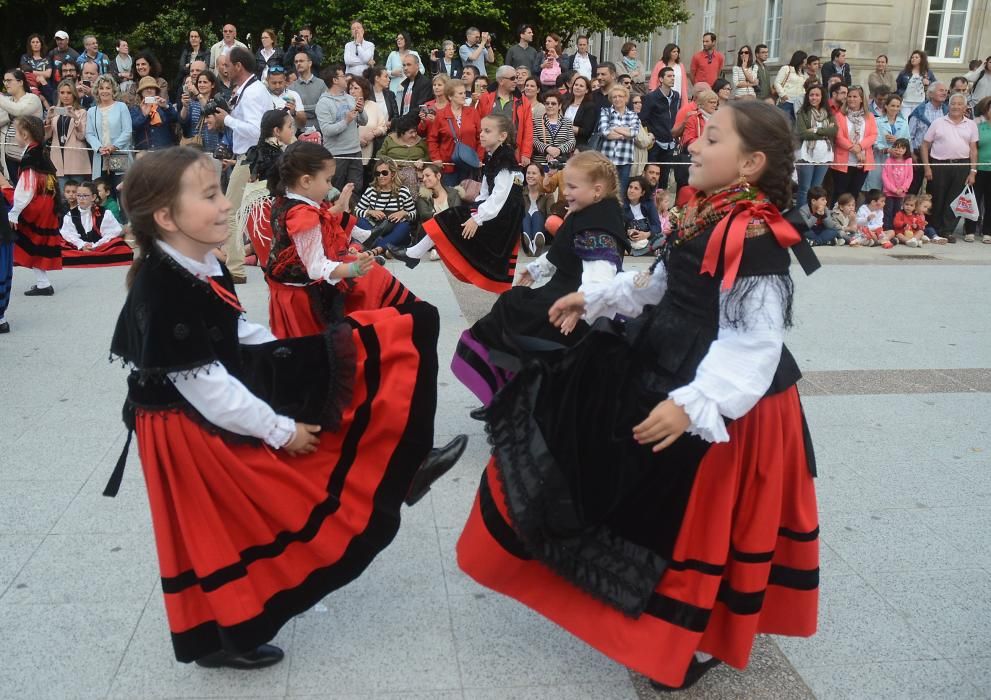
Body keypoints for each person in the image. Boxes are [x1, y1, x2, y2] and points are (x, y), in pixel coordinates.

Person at [456, 101, 820, 693]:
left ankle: (694, 637)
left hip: (726, 402)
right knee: (650, 498)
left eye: (712, 137)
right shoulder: (708, 211)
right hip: (669, 366)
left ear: (749, 164)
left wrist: (696, 403)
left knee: (697, 520)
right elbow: (664, 284)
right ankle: (663, 624)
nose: (695, 145)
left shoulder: (754, 235)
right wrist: (599, 298)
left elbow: (753, 344)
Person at [108, 146, 464, 669]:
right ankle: (219, 634)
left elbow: (235, 332)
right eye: (210, 195)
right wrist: (279, 430)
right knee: (219, 522)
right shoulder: (162, 286)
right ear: (165, 217)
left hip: (202, 404)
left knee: (338, 361)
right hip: (183, 425)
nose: (227, 205)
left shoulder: (196, 261)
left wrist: (293, 353)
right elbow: (206, 385)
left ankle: (396, 466)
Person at [454, 149, 626, 405]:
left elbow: (600, 277)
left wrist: (581, 307)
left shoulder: (598, 225)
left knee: (515, 317)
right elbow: (563, 252)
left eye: (572, 186)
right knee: (512, 306)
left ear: (597, 190)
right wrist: (535, 270)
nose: (565, 192)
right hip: (564, 295)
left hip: (573, 308)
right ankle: (511, 394)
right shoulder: (587, 211)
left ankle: (523, 402)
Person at [265, 142, 419, 327]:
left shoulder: (289, 199)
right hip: (302, 298)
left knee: (375, 278)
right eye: (328, 180)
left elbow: (320, 221)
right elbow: (315, 267)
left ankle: (368, 238)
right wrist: (353, 270)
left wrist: (338, 208)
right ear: (306, 181)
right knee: (372, 284)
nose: (330, 187)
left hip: (297, 288)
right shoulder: (302, 214)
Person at [391, 113, 525, 294]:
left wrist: (477, 218)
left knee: (452, 217)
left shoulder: (506, 159)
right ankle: (413, 253)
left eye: (487, 131)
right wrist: (474, 208)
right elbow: (485, 191)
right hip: (495, 210)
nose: (482, 135)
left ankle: (413, 254)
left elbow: (499, 197)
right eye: (481, 131)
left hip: (505, 217)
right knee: (450, 216)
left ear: (502, 136)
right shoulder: (492, 156)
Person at [208, 47, 270, 283]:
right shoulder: (250, 89)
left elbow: (255, 131)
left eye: (227, 65)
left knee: (231, 211)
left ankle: (236, 268)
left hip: (251, 158)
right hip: (247, 157)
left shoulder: (253, 92)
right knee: (256, 213)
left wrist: (228, 119)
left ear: (238, 66)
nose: (224, 69)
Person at [1, 116, 62, 294]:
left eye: (16, 133)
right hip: (46, 202)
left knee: (28, 240)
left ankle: (43, 283)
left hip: (37, 204)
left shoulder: (30, 157)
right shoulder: (39, 151)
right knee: (36, 243)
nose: (14, 138)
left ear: (26, 134)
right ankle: (43, 283)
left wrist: (14, 213)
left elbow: (26, 189)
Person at [921, 93, 979, 243]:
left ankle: (947, 231)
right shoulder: (938, 122)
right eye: (953, 103)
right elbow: (925, 145)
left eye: (960, 104)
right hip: (939, 165)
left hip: (962, 165)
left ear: (965, 107)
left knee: (955, 199)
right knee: (936, 197)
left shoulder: (971, 124)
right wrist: (927, 168)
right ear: (949, 105)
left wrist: (973, 171)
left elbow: (973, 149)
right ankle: (932, 229)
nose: (956, 107)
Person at [316, 64, 367, 195]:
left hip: (355, 151)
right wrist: (346, 121)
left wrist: (361, 111)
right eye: (343, 76)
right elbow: (327, 130)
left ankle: (352, 215)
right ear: (335, 80)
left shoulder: (350, 98)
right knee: (336, 191)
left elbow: (364, 121)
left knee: (356, 190)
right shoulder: (323, 103)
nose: (346, 78)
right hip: (336, 155)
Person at [57, 179, 132, 266]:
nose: (81, 199)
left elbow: (111, 233)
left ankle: (87, 255)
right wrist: (82, 245)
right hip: (79, 247)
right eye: (79, 196)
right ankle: (91, 255)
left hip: (100, 246)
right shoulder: (70, 215)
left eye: (85, 196)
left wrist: (95, 245)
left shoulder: (104, 213)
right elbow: (68, 234)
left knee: (119, 244)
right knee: (59, 245)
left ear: (93, 197)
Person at [351, 156, 418, 253]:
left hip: (395, 229)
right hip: (375, 228)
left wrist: (404, 213)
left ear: (393, 174)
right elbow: (356, 211)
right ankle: (385, 248)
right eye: (378, 173)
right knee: (358, 221)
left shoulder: (403, 191)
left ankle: (376, 248)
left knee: (404, 227)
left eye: (384, 173)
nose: (381, 176)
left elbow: (414, 215)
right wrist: (370, 212)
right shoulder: (371, 190)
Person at [427, 78, 483, 186]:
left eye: (464, 93)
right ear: (450, 96)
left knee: (468, 197)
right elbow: (432, 139)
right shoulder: (441, 115)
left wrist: (479, 158)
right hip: (448, 165)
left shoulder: (472, 112)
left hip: (469, 164)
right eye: (460, 93)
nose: (464, 96)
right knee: (451, 197)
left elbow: (480, 137)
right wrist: (436, 158)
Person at [475, 65, 534, 167]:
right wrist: (478, 155)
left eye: (516, 77)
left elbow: (528, 130)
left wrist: (526, 153)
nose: (516, 81)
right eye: (512, 78)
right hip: (488, 153)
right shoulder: (485, 98)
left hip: (512, 153)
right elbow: (477, 127)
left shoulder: (523, 101)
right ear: (501, 81)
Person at [831, 86, 877, 203]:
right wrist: (854, 149)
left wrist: (860, 147)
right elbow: (838, 137)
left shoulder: (869, 116)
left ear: (861, 99)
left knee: (854, 193)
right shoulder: (840, 116)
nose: (851, 99)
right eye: (849, 96)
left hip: (862, 161)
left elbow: (873, 135)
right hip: (843, 161)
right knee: (840, 194)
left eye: (855, 97)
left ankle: (850, 219)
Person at [795, 84, 836, 209]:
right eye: (811, 95)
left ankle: (813, 216)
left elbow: (834, 131)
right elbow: (802, 133)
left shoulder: (828, 113)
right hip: (807, 154)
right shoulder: (803, 112)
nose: (814, 98)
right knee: (805, 188)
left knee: (816, 188)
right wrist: (824, 132)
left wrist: (815, 130)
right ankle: (801, 217)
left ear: (822, 97)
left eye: (817, 95)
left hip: (824, 154)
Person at [85, 75, 132, 187]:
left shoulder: (121, 107)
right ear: (97, 91)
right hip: (100, 156)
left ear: (113, 90)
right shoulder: (92, 111)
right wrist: (99, 148)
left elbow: (127, 131)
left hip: (118, 155)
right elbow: (89, 134)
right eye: (101, 88)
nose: (104, 91)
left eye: (108, 88)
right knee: (100, 193)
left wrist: (113, 147)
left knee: (119, 190)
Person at [639, 67, 680, 191]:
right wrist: (652, 134)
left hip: (670, 142)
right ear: (661, 79)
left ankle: (661, 206)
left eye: (673, 76)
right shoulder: (651, 97)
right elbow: (643, 118)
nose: (672, 78)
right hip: (655, 143)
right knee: (651, 176)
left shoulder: (676, 96)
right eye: (669, 76)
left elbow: (674, 116)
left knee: (664, 176)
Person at [45, 80, 90, 190]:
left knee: (78, 194)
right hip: (58, 161)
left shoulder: (81, 112)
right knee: (62, 197)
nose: (65, 96)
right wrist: (48, 120)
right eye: (62, 92)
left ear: (74, 94)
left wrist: (75, 118)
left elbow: (82, 136)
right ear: (58, 94)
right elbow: (46, 137)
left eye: (69, 93)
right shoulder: (53, 112)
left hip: (76, 160)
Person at [1, 70, 44, 182]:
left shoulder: (32, 99)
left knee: (29, 190)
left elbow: (18, 111)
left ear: (20, 82)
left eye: (9, 80)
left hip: (29, 154)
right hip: (9, 155)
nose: (6, 84)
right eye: (4, 81)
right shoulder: (7, 101)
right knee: (15, 190)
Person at [597, 85, 640, 193]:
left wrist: (614, 128)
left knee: (621, 193)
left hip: (625, 160)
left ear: (626, 98)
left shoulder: (633, 115)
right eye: (614, 97)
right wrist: (624, 133)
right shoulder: (605, 112)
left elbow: (634, 132)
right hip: (607, 160)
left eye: (620, 96)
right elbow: (604, 131)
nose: (617, 99)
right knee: (606, 192)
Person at [908, 82, 948, 195]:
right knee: (913, 188)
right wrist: (912, 154)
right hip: (918, 156)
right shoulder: (919, 111)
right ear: (930, 93)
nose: (944, 92)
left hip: (938, 156)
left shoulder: (947, 111)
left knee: (935, 190)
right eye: (941, 90)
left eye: (945, 90)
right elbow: (909, 135)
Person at [378, 113, 430, 190]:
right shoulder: (390, 139)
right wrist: (390, 162)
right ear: (401, 133)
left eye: (415, 131)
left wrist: (423, 160)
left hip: (417, 173)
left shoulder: (420, 141)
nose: (414, 135)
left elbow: (429, 156)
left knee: (410, 175)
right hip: (394, 171)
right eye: (411, 132)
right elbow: (379, 155)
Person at [870, 97, 910, 194]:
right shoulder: (877, 121)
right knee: (876, 189)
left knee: (892, 190)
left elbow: (907, 141)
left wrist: (898, 141)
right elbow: (874, 140)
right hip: (879, 159)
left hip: (897, 162)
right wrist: (887, 150)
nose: (895, 108)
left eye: (897, 106)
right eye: (892, 105)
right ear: (886, 106)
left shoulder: (904, 123)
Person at [130, 76, 178, 151]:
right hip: (145, 151)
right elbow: (134, 126)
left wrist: (166, 107)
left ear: (156, 91)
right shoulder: (135, 109)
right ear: (141, 92)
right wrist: (144, 114)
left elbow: (175, 118)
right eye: (146, 88)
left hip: (165, 150)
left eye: (152, 88)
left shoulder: (164, 105)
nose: (149, 90)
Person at [532, 90, 575, 169]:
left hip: (561, 163)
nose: (550, 106)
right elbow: (534, 140)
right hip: (540, 164)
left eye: (553, 103)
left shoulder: (567, 122)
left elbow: (572, 142)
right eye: (547, 103)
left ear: (559, 106)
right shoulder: (536, 121)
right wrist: (547, 149)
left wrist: (559, 150)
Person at [518, 162, 553, 255]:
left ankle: (537, 241)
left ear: (541, 176)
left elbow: (550, 215)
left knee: (537, 214)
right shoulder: (520, 192)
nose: (530, 176)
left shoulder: (547, 194)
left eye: (534, 173)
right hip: (524, 224)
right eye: (528, 173)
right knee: (525, 215)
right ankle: (528, 240)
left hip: (541, 226)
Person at [623, 174, 662, 255]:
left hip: (647, 239)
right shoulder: (622, 205)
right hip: (629, 241)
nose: (631, 190)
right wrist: (628, 232)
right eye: (630, 187)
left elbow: (657, 226)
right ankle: (645, 251)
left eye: (636, 188)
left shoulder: (649, 205)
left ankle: (632, 252)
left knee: (662, 238)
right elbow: (618, 227)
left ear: (642, 193)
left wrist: (646, 234)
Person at [291, 50, 327, 132]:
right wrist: (314, 107)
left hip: (320, 129)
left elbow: (324, 108)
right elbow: (292, 111)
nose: (298, 64)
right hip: (299, 131)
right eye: (296, 62)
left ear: (310, 63)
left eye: (301, 61)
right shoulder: (291, 87)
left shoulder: (321, 84)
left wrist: (301, 110)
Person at [897, 50, 936, 118]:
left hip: (919, 103)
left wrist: (928, 82)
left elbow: (935, 85)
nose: (913, 59)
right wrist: (900, 95)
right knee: (905, 122)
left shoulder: (927, 72)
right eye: (912, 57)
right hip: (906, 102)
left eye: (916, 57)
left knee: (916, 122)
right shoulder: (905, 72)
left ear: (921, 59)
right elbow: (897, 85)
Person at [973, 96, 991, 244]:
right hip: (979, 169)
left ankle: (987, 232)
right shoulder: (979, 127)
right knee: (975, 200)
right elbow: (973, 148)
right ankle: (970, 230)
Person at [773, 51, 809, 122]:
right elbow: (777, 83)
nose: (806, 61)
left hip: (798, 103)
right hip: (787, 101)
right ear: (800, 59)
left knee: (795, 125)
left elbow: (804, 87)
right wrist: (783, 95)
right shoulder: (786, 68)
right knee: (784, 123)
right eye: (805, 58)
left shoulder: (804, 73)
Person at [565, 75, 597, 151]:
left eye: (581, 86)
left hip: (578, 146)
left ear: (586, 90)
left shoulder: (590, 106)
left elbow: (586, 131)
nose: (577, 87)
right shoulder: (565, 103)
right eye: (576, 85)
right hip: (562, 143)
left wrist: (565, 127)